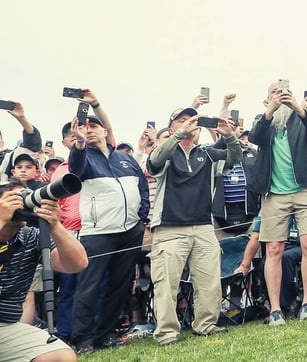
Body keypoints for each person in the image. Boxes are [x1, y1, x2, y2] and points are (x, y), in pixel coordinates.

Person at [146, 107, 241, 346]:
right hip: (169, 227)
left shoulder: (208, 154)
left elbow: (235, 158)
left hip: (203, 226)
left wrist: (228, 135)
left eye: (193, 120)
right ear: (171, 128)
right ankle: (167, 333)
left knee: (209, 281)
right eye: (182, 120)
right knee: (167, 284)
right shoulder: (166, 152)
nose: (190, 124)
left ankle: (206, 324)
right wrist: (178, 136)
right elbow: (154, 161)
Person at [247, 81, 307, 326]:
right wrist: (270, 111)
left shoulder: (302, 118)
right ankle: (275, 310)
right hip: (274, 193)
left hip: (306, 189)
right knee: (274, 249)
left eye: (284, 93)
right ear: (266, 99)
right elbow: (255, 137)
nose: (280, 97)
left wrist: (299, 108)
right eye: (274, 93)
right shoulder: (263, 121)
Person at [68, 114, 149, 354]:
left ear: (106, 131)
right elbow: (76, 168)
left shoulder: (125, 158)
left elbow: (141, 187)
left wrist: (140, 219)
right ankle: (82, 338)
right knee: (88, 287)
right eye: (84, 127)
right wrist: (79, 143)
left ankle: (106, 334)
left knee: (120, 286)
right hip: (98, 233)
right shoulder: (83, 157)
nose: (89, 130)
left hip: (130, 231)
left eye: (94, 126)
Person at [0, 179, 88, 362]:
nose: (22, 202)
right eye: (14, 198)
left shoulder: (31, 236)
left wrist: (55, 226)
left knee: (61, 356)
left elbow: (77, 263)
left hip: (4, 326)